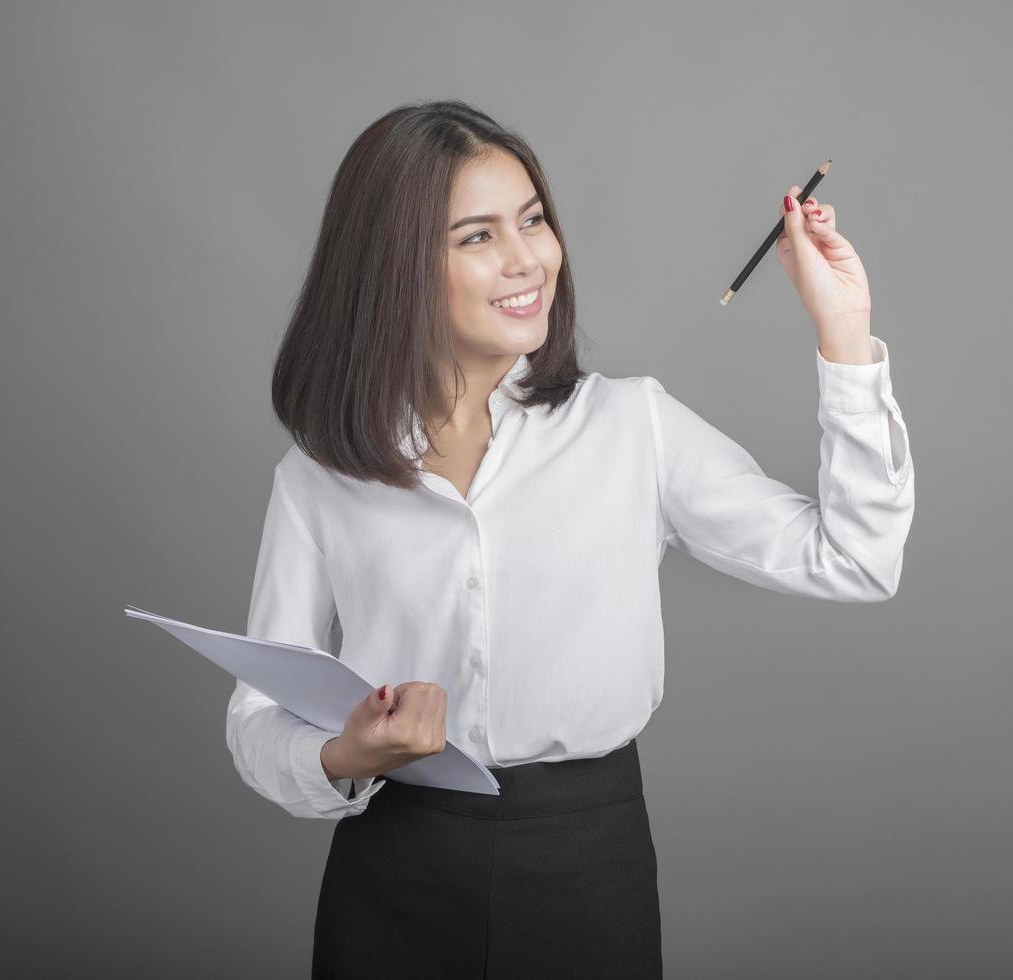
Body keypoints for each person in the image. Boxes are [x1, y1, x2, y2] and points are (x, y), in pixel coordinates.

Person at [225, 99, 915, 979]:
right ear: (392, 267)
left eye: (533, 220)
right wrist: (342, 754)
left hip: (587, 869)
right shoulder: (323, 473)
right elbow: (256, 718)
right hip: (393, 871)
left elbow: (857, 560)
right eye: (476, 236)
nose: (527, 260)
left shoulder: (632, 426)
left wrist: (844, 333)